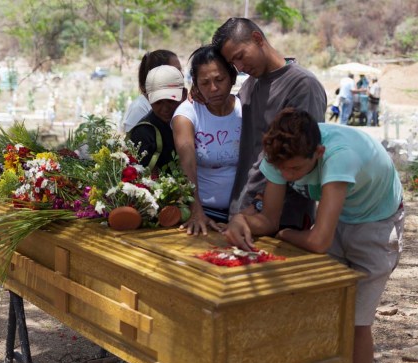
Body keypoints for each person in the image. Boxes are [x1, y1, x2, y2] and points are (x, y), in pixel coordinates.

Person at [224, 108, 404, 363]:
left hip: (377, 224)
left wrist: (287, 234)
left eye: (295, 169)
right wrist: (240, 219)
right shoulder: (282, 154)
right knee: (338, 318)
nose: (289, 176)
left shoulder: (339, 156)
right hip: (342, 216)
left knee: (357, 324)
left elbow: (318, 240)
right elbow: (267, 219)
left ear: (318, 153)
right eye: (283, 169)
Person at [211, 17, 327, 231]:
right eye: (233, 63)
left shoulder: (302, 86)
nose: (240, 67)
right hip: (243, 211)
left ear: (257, 39)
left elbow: (299, 155)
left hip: (283, 217)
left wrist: (257, 204)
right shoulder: (250, 86)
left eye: (240, 57)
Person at [172, 44, 242, 235]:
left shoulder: (245, 110)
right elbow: (187, 164)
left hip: (242, 214)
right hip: (203, 213)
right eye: (205, 83)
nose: (213, 88)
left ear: (233, 78)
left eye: (220, 79)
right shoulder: (186, 114)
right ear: (195, 84)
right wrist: (196, 211)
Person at [128, 65, 187, 171]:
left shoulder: (194, 120)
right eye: (158, 102)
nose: (165, 108)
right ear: (147, 98)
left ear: (184, 95)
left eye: (171, 101)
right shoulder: (144, 133)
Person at [123, 50, 182, 133]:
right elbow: (132, 143)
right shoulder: (140, 107)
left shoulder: (179, 100)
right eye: (176, 70)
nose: (181, 75)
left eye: (180, 70)